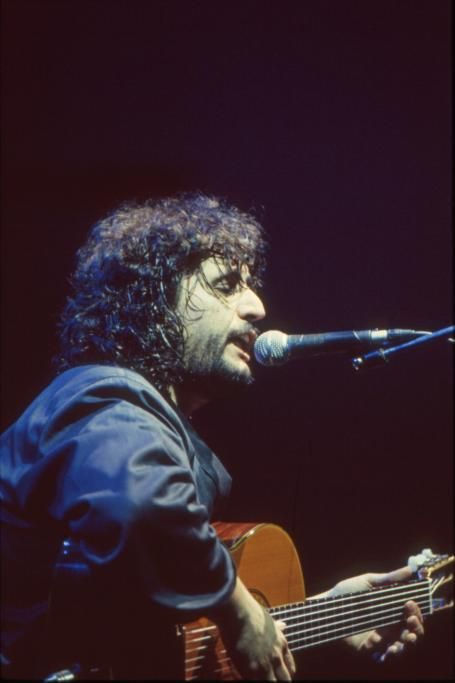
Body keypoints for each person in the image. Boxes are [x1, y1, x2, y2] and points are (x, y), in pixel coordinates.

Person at [0, 193, 423, 680]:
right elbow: (139, 507)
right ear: (156, 302)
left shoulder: (154, 427)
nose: (258, 307)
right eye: (227, 285)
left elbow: (146, 631)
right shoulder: (102, 395)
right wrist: (240, 610)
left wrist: (326, 612)